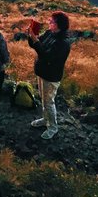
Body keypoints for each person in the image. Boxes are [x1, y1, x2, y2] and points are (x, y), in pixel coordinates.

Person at [27, 11, 71, 140]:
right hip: (42, 72)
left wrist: (35, 41)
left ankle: (53, 127)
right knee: (43, 98)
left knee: (49, 101)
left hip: (51, 76)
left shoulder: (63, 42)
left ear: (58, 25)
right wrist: (31, 36)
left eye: (51, 21)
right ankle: (45, 119)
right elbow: (36, 46)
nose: (48, 23)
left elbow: (47, 56)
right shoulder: (49, 33)